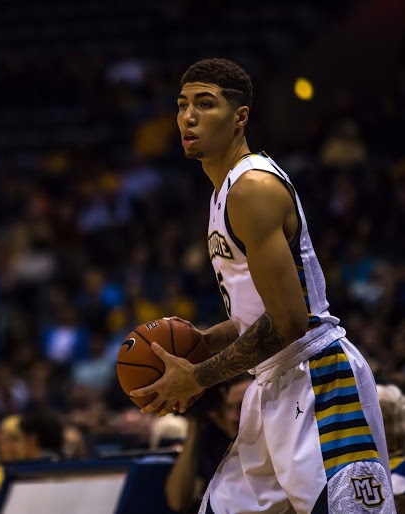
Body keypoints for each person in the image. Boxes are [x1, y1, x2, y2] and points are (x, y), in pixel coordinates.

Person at [130, 58, 394, 513]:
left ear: (240, 116)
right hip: (270, 383)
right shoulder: (220, 195)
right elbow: (254, 317)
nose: (188, 117)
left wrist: (198, 375)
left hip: (319, 380)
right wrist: (202, 342)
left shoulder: (252, 188)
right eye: (182, 105)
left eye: (205, 104)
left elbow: (290, 320)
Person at [164, 374, 252, 513]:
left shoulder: (266, 439)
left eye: (241, 406)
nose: (233, 416)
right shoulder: (209, 436)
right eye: (229, 407)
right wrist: (194, 424)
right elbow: (177, 502)